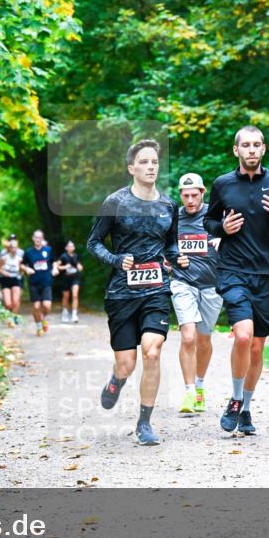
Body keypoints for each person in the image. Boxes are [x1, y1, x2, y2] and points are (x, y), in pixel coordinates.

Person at [87, 138, 187, 446]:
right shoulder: (115, 202)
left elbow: (170, 243)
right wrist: (117, 260)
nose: (150, 166)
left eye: (154, 162)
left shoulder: (169, 204)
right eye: (144, 162)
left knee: (152, 351)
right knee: (127, 363)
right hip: (121, 294)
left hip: (156, 289)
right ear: (132, 168)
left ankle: (145, 423)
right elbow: (93, 243)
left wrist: (175, 256)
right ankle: (117, 380)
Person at [204, 125, 269, 435]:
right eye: (246, 145)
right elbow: (209, 221)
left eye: (257, 144)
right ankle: (233, 400)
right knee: (243, 336)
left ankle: (246, 408)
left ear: (264, 148)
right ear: (236, 150)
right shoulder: (222, 184)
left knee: (257, 347)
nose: (251, 150)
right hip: (232, 270)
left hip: (265, 273)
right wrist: (222, 229)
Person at [170, 172, 222, 414]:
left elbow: (238, 237)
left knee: (204, 338)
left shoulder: (215, 215)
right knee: (188, 336)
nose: (190, 200)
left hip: (212, 285)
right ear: (180, 195)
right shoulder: (173, 219)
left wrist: (224, 241)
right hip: (183, 283)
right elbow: (161, 248)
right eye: (185, 195)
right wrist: (168, 260)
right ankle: (189, 391)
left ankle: (200, 385)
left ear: (202, 193)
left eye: (194, 195)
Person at [21, 230, 55, 336]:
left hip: (46, 282)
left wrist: (55, 268)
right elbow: (22, 264)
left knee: (47, 306)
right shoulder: (28, 252)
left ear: (42, 238)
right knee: (36, 307)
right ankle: (39, 327)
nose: (38, 239)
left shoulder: (48, 250)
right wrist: (26, 269)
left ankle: (43, 318)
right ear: (33, 238)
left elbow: (55, 262)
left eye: (40, 237)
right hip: (34, 283)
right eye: (36, 237)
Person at [0, 235, 24, 324]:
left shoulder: (20, 257)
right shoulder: (4, 257)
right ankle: (8, 315)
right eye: (12, 247)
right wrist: (5, 273)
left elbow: (22, 267)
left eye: (15, 247)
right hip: (6, 280)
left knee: (16, 301)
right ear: (9, 248)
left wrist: (22, 273)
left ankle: (14, 317)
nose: (14, 249)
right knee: (8, 303)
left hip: (16, 279)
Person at [55, 240, 83, 323]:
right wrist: (65, 267)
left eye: (72, 246)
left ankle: (74, 314)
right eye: (69, 246)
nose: (71, 247)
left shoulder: (75, 256)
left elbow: (79, 265)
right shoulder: (63, 256)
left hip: (75, 277)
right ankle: (65, 312)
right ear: (66, 248)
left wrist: (80, 267)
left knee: (75, 295)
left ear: (74, 248)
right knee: (66, 296)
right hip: (66, 278)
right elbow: (57, 266)